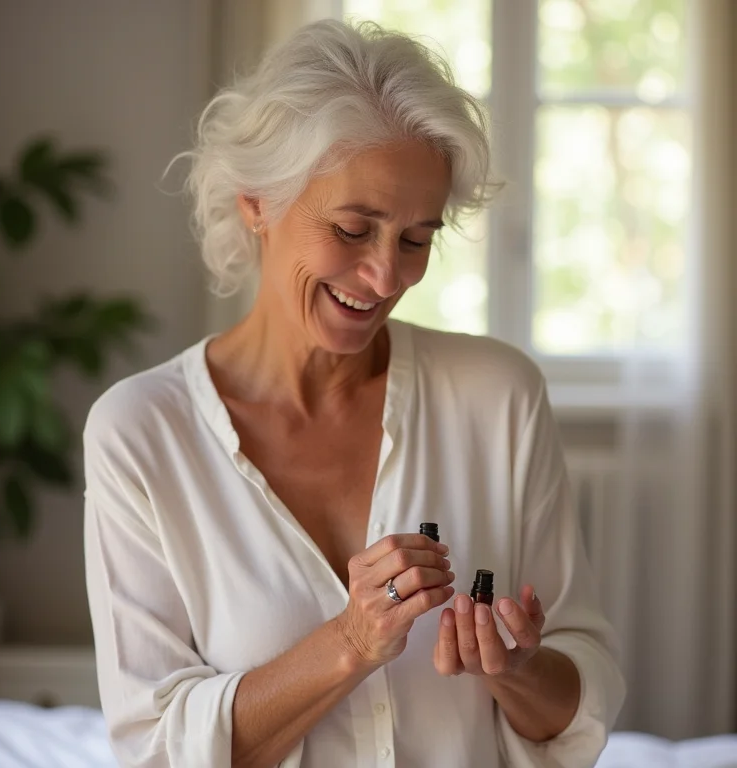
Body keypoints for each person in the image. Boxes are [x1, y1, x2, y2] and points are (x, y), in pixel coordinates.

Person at [84, 19, 625, 768]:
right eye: (350, 228)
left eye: (415, 239)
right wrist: (350, 642)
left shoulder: (499, 396)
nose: (385, 278)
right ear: (256, 203)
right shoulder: (141, 432)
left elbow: (582, 685)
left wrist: (517, 671)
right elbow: (154, 747)